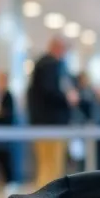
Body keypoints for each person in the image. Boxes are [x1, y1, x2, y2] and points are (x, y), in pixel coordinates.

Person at [27, 36, 77, 188]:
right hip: (51, 125)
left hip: (42, 123)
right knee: (51, 167)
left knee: (46, 165)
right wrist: (67, 98)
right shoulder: (50, 65)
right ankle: (47, 197)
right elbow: (51, 92)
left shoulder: (41, 65)